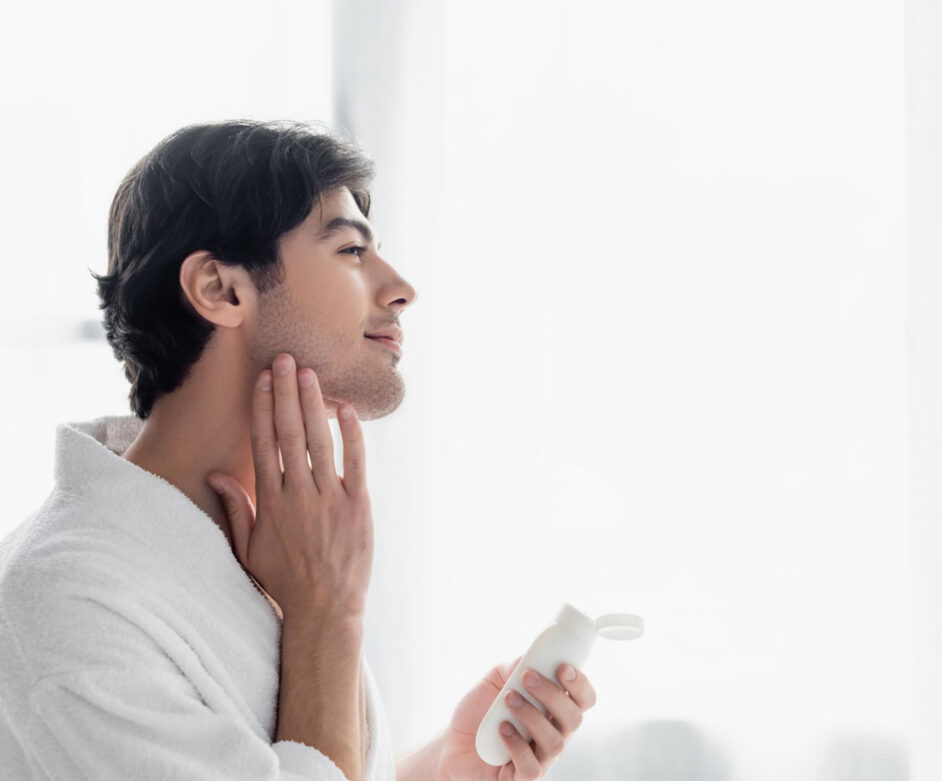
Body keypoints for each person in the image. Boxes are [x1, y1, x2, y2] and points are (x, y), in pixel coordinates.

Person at [0, 119, 597, 780]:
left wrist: (442, 768)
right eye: (350, 251)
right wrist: (328, 618)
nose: (400, 287)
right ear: (220, 289)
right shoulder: (66, 602)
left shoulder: (277, 547)